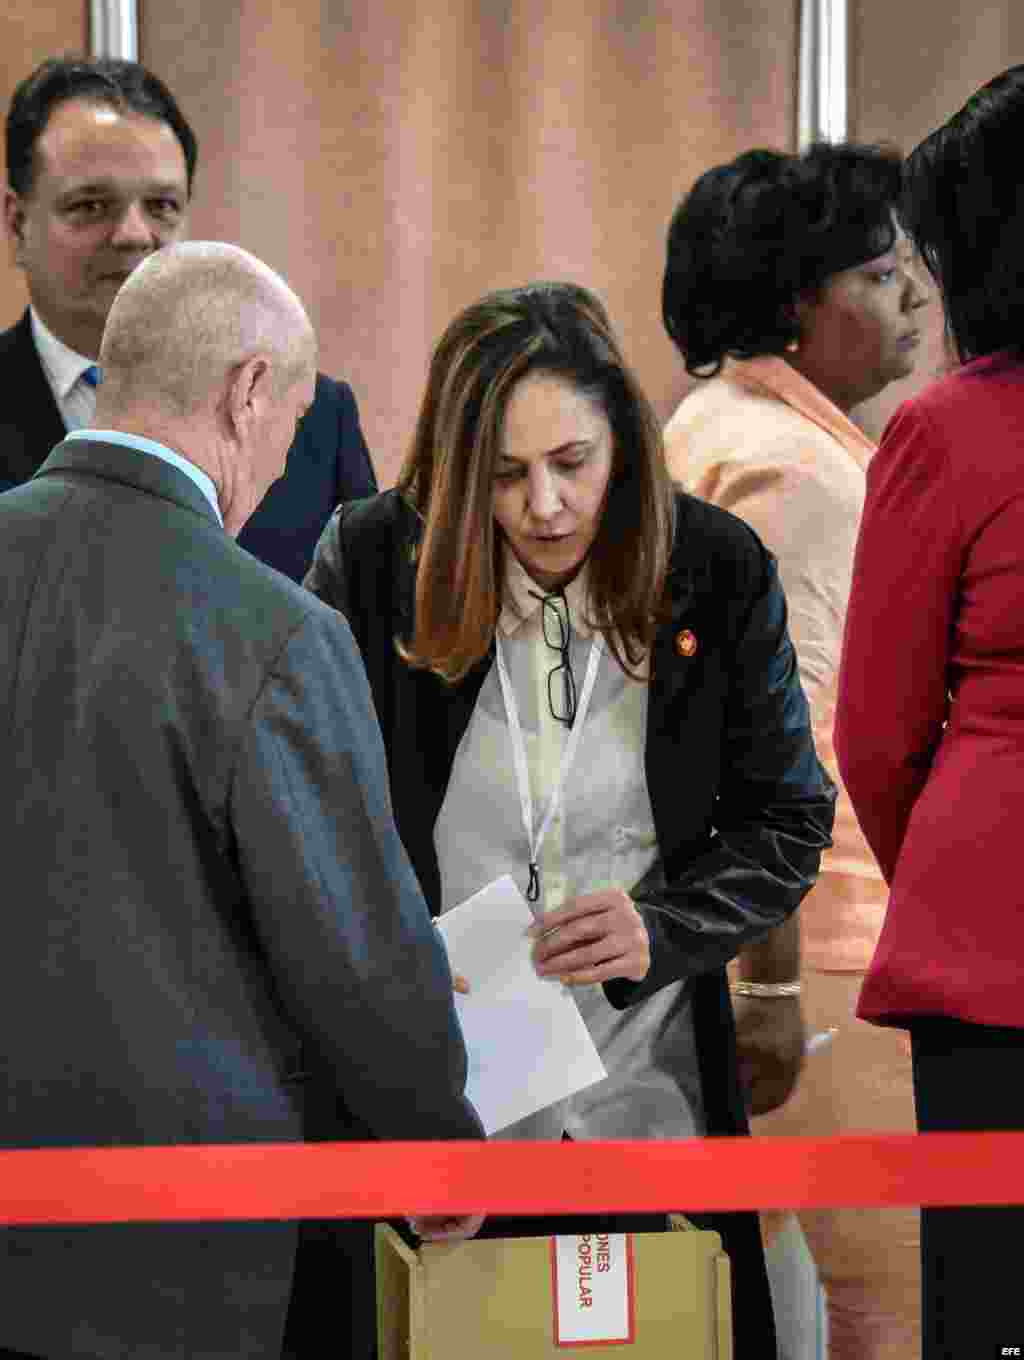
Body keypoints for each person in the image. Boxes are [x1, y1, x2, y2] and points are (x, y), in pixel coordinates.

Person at [305, 280, 836, 1355]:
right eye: (503, 474)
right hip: (440, 1076)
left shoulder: (713, 568)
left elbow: (785, 815)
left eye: (572, 464)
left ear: (623, 447)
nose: (543, 505)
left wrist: (667, 926)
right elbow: (305, 821)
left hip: (644, 1077)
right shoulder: (370, 561)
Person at [0, 241, 482, 1360]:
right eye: (294, 421)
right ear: (247, 391)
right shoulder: (270, 631)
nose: (276, 466)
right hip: (170, 1245)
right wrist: (436, 1138)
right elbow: (353, 951)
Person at [661, 142, 930, 1360]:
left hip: (754, 939)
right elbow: (787, 749)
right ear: (794, 305)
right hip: (817, 944)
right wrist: (770, 985)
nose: (911, 298)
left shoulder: (712, 424)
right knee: (877, 1306)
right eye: (877, 273)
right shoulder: (791, 471)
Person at [834, 66, 1024, 1360]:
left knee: (987, 1300)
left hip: (992, 943)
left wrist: (946, 878)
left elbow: (880, 728)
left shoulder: (951, 432)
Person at [1, 55, 376, 580]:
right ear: (17, 224)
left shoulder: (311, 416)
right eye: (91, 205)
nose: (134, 234)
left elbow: (359, 640)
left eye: (161, 206)